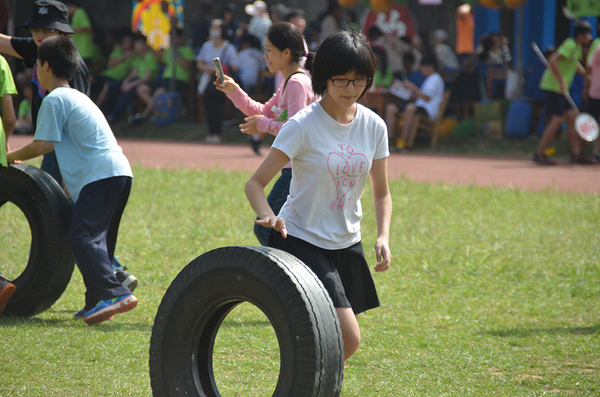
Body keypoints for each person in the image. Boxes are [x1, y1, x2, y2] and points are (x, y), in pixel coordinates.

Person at [244, 30, 392, 362]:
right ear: (324, 77)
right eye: (341, 80)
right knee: (348, 338)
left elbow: (382, 192)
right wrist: (268, 215)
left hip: (346, 242)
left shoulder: (374, 126)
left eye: (359, 81)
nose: (350, 89)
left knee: (326, 339)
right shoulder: (301, 126)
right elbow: (255, 183)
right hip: (302, 239)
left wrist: (383, 236)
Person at [0, 0, 138, 292]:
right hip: (61, 148)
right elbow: (4, 42)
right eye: (36, 28)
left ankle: (110, 275)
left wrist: (58, 170)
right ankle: (111, 276)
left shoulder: (71, 69)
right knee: (70, 215)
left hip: (63, 148)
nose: (39, 35)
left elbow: (64, 131)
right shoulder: (39, 48)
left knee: (58, 212)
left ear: (62, 34)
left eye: (47, 29)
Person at [217, 22, 317, 245]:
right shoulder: (289, 82)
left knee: (266, 230)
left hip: (297, 172)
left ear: (287, 53)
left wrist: (263, 125)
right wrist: (234, 91)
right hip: (294, 170)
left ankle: (288, 273)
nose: (265, 56)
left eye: (269, 50)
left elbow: (295, 131)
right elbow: (263, 111)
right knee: (285, 230)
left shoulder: (297, 83)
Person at [533, 21, 594, 165]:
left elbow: (574, 63)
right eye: (587, 34)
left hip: (561, 88)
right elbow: (553, 60)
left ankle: (576, 154)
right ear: (580, 35)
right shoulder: (571, 44)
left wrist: (585, 74)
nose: (590, 38)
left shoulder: (577, 47)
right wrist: (561, 81)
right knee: (557, 120)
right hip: (554, 86)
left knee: (572, 117)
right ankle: (539, 153)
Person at [130, 27, 195, 123]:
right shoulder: (168, 50)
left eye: (174, 38)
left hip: (179, 80)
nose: (172, 40)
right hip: (165, 78)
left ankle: (144, 116)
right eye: (170, 38)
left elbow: (187, 66)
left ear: (180, 38)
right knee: (141, 88)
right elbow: (164, 62)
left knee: (159, 92)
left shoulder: (187, 49)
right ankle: (156, 112)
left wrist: (177, 55)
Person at [384, 53, 444, 151]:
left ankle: (404, 140)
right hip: (419, 105)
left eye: (423, 67)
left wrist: (412, 87)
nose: (422, 70)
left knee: (410, 108)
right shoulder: (429, 79)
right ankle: (390, 139)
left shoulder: (436, 79)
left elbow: (427, 98)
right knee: (391, 108)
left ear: (431, 66)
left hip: (428, 109)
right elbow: (420, 96)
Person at [196, 18, 239, 144]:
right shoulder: (206, 46)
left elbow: (235, 66)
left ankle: (217, 133)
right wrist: (207, 68)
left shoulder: (228, 47)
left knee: (216, 107)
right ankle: (210, 132)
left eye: (216, 28)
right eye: (212, 28)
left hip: (221, 81)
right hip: (207, 80)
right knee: (207, 106)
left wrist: (221, 69)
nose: (213, 31)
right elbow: (199, 62)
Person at [106, 32, 158, 123]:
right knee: (112, 86)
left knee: (127, 93)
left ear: (145, 45)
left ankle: (114, 116)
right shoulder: (137, 57)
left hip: (146, 83)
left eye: (139, 45)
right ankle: (106, 112)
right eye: (136, 45)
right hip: (136, 80)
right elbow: (134, 72)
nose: (137, 47)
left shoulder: (149, 57)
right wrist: (126, 81)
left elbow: (147, 78)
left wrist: (131, 85)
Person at [95, 29, 136, 115]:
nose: (125, 44)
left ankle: (96, 109)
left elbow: (132, 71)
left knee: (108, 86)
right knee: (90, 79)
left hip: (117, 78)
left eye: (128, 42)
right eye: (124, 42)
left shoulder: (134, 56)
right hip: (106, 74)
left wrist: (126, 80)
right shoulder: (118, 50)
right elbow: (110, 64)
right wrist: (124, 57)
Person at [64, 0, 94, 68]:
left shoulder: (80, 12)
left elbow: (88, 28)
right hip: (78, 52)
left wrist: (71, 28)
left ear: (69, 5)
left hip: (83, 52)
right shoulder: (75, 15)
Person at [587, 26, 600, 162]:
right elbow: (589, 69)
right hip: (595, 93)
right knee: (589, 122)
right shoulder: (598, 47)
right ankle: (578, 152)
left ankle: (595, 152)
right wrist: (586, 89)